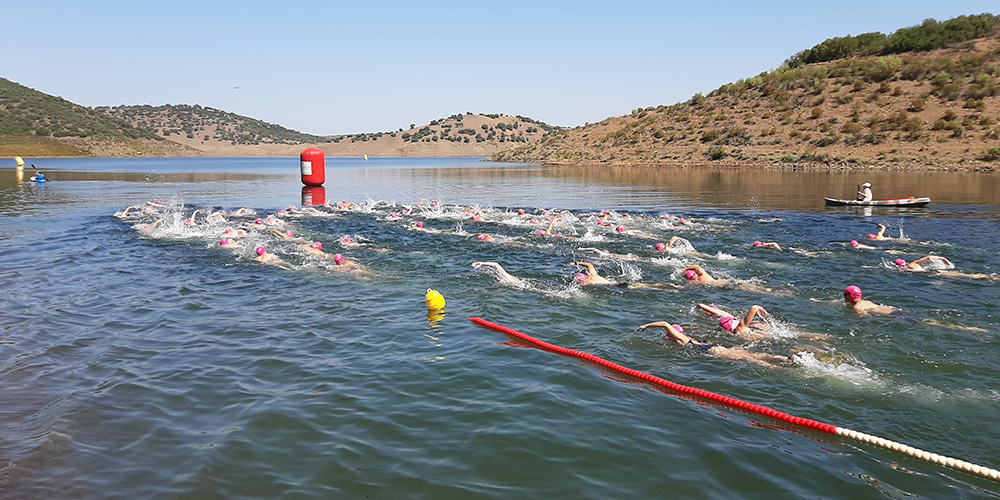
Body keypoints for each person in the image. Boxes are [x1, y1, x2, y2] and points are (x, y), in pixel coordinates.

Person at [634, 321, 792, 368]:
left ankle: (773, 367)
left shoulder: (681, 339)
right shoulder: (685, 338)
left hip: (712, 351)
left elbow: (665, 324)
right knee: (748, 355)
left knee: (746, 359)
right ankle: (783, 359)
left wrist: (646, 326)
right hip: (712, 347)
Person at [697, 303, 771, 341]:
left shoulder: (728, 331)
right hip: (765, 337)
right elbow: (754, 308)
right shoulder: (740, 326)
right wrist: (759, 308)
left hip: (750, 338)